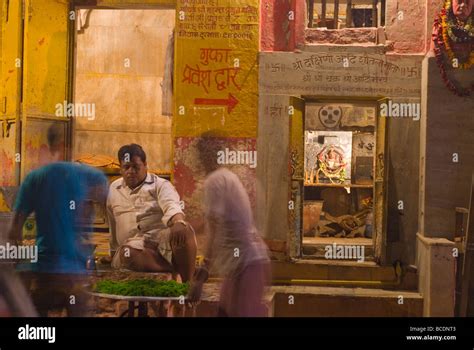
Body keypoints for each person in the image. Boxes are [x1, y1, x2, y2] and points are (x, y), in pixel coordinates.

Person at [7, 124, 108, 316]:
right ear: (67, 146)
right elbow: (104, 202)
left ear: (50, 146)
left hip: (44, 272)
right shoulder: (90, 175)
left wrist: (18, 263)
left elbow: (14, 231)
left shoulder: (34, 178)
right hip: (76, 274)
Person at [187, 132, 270, 317]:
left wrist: (202, 274)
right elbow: (213, 222)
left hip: (246, 264)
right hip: (244, 263)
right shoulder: (226, 177)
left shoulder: (215, 180)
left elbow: (213, 227)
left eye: (202, 154)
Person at [106, 144, 196, 282]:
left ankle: (188, 286)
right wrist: (112, 253)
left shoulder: (160, 185)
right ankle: (180, 270)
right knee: (127, 253)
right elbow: (112, 223)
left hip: (160, 242)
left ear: (145, 165)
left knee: (184, 230)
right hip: (135, 249)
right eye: (126, 167)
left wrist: (178, 221)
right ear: (120, 169)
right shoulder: (114, 188)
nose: (131, 171)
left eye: (136, 167)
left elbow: (171, 205)